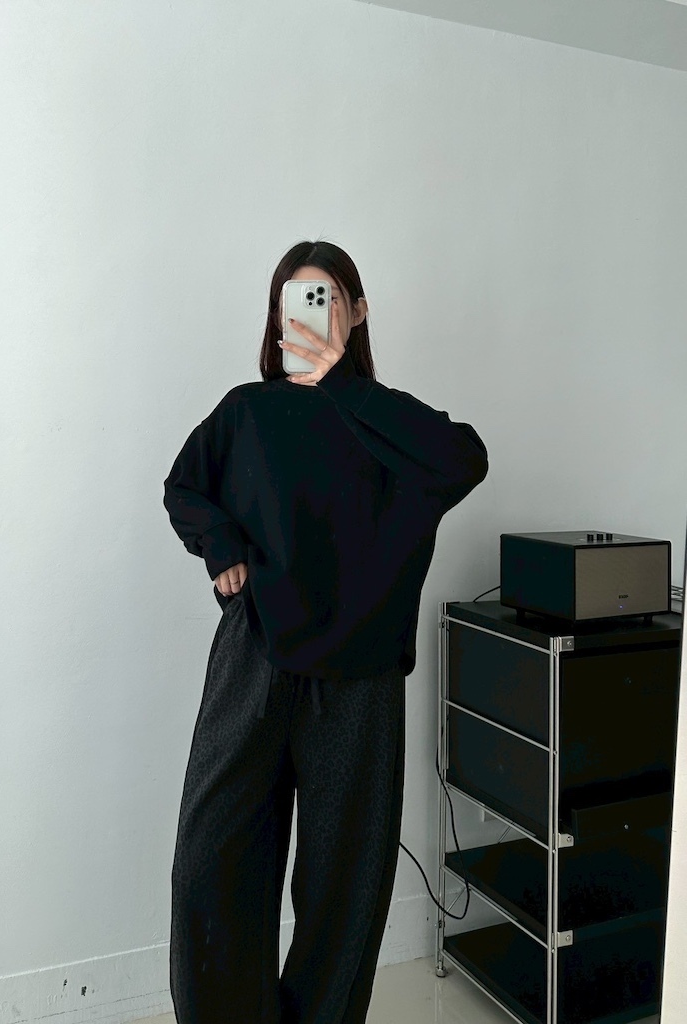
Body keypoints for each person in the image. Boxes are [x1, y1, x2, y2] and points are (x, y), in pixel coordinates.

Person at [163, 240, 489, 1023]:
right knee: (210, 866)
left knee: (345, 884)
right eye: (295, 300)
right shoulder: (247, 410)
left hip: (359, 676)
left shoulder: (387, 422)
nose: (310, 313)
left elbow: (464, 459)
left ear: (358, 310)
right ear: (276, 316)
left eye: (328, 298)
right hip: (254, 657)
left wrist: (343, 384)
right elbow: (185, 487)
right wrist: (221, 545)